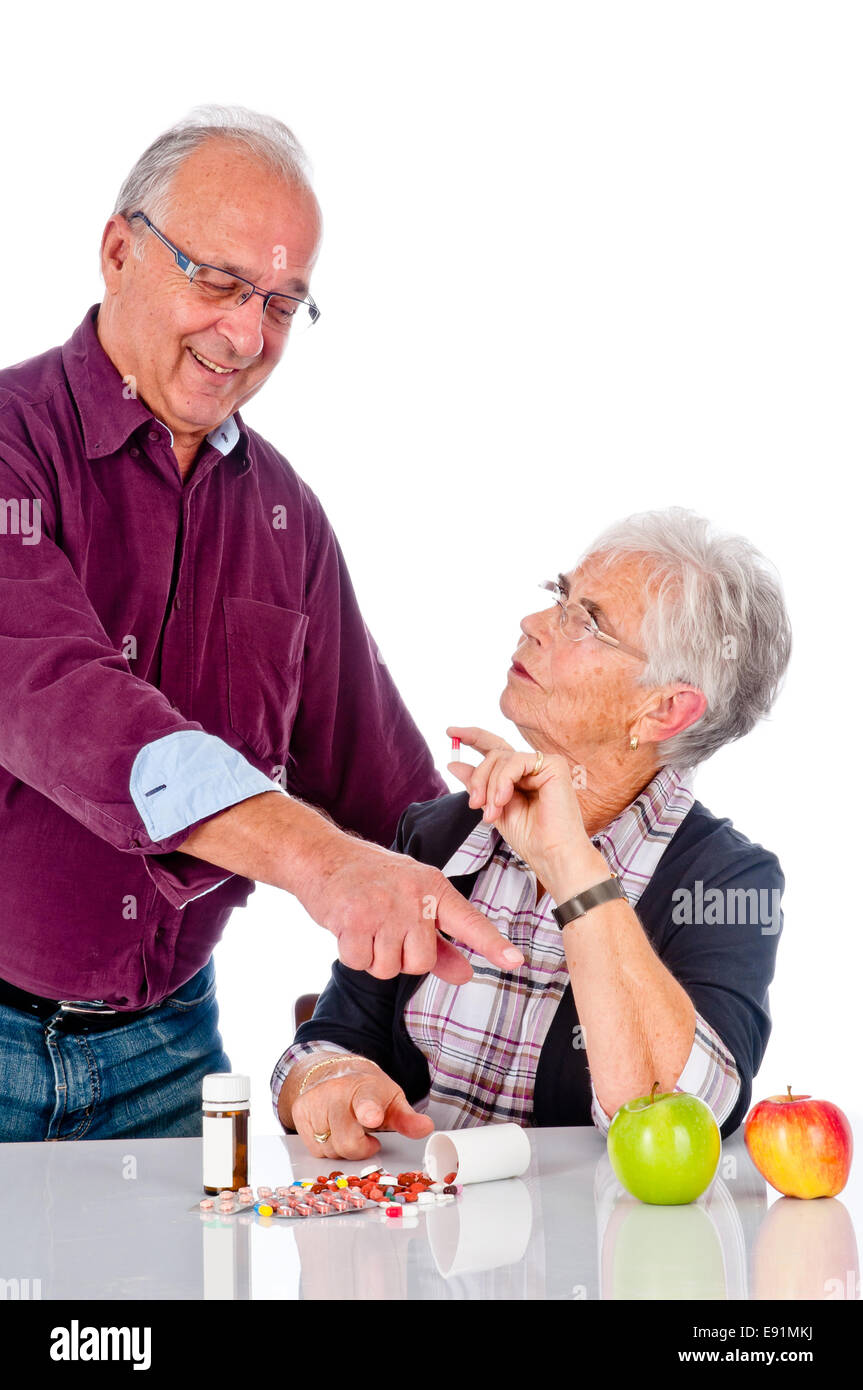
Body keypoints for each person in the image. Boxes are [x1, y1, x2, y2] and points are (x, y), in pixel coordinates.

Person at [0, 106, 519, 1143]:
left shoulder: (286, 516)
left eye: (282, 301)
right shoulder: (12, 446)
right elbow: (64, 700)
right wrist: (319, 866)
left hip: (171, 1054)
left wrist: (553, 879)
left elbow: (387, 792)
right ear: (117, 251)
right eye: (219, 281)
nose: (245, 333)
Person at [274, 509, 792, 1156]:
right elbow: (326, 1041)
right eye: (559, 598)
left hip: (595, 1253)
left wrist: (570, 861)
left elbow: (692, 1112)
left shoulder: (725, 880)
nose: (533, 624)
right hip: (418, 1244)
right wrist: (329, 1078)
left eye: (587, 621)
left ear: (664, 708)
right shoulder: (441, 833)